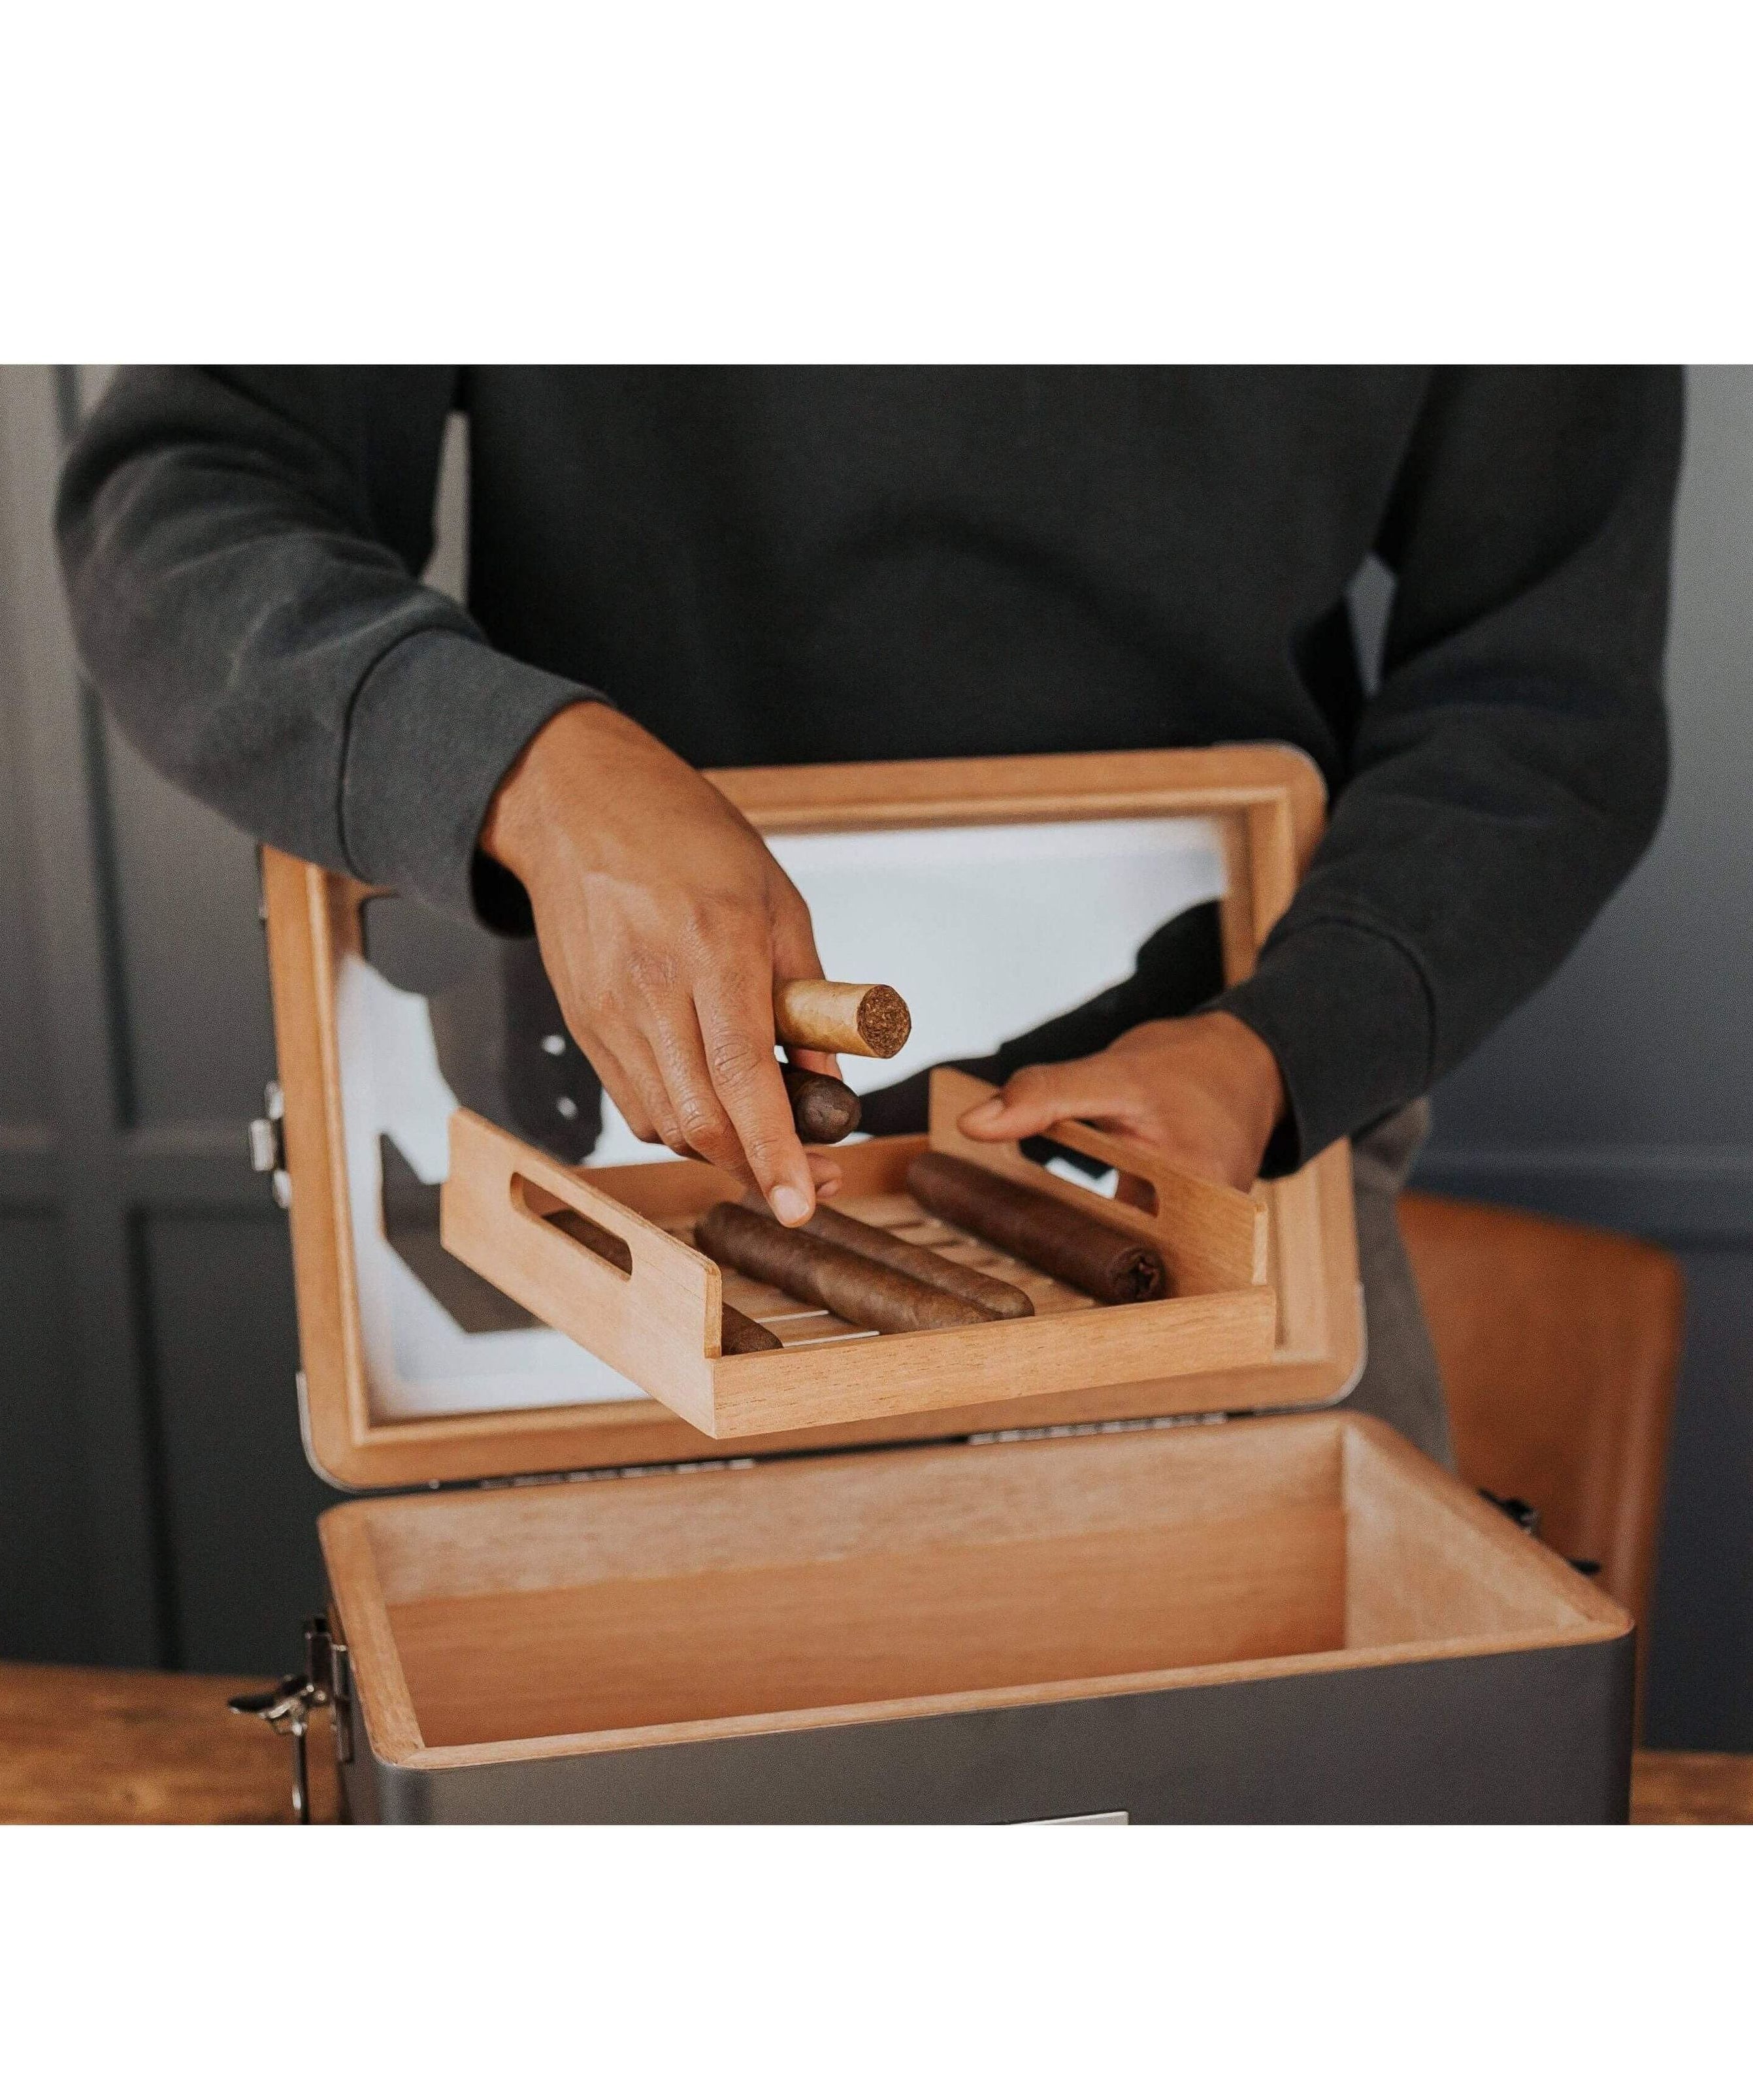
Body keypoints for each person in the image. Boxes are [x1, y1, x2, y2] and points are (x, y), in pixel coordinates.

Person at [56, 368, 1683, 1461]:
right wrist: (530, 774)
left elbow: (1546, 695)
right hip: (642, 1152)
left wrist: (1285, 1046)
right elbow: (179, 508)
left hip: (1237, 1125)